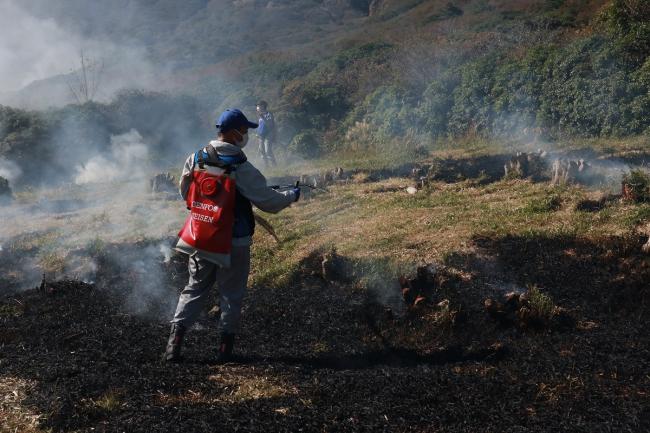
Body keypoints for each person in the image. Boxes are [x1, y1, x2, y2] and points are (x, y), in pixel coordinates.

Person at [164, 108, 300, 363]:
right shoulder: (241, 165)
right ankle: (225, 351)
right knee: (231, 294)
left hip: (201, 237)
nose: (246, 135)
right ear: (234, 132)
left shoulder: (195, 158)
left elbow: (186, 194)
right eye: (244, 130)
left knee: (194, 289)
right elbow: (268, 202)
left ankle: (174, 345)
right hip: (234, 241)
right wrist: (292, 195)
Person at [256, 100, 277, 167]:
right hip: (261, 135)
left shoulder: (269, 114)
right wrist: (257, 133)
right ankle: (267, 166)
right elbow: (260, 125)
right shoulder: (260, 115)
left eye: (258, 106)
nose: (257, 107)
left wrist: (263, 118)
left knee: (268, 150)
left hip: (268, 134)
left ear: (262, 106)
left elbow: (270, 124)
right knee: (262, 151)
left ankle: (274, 165)